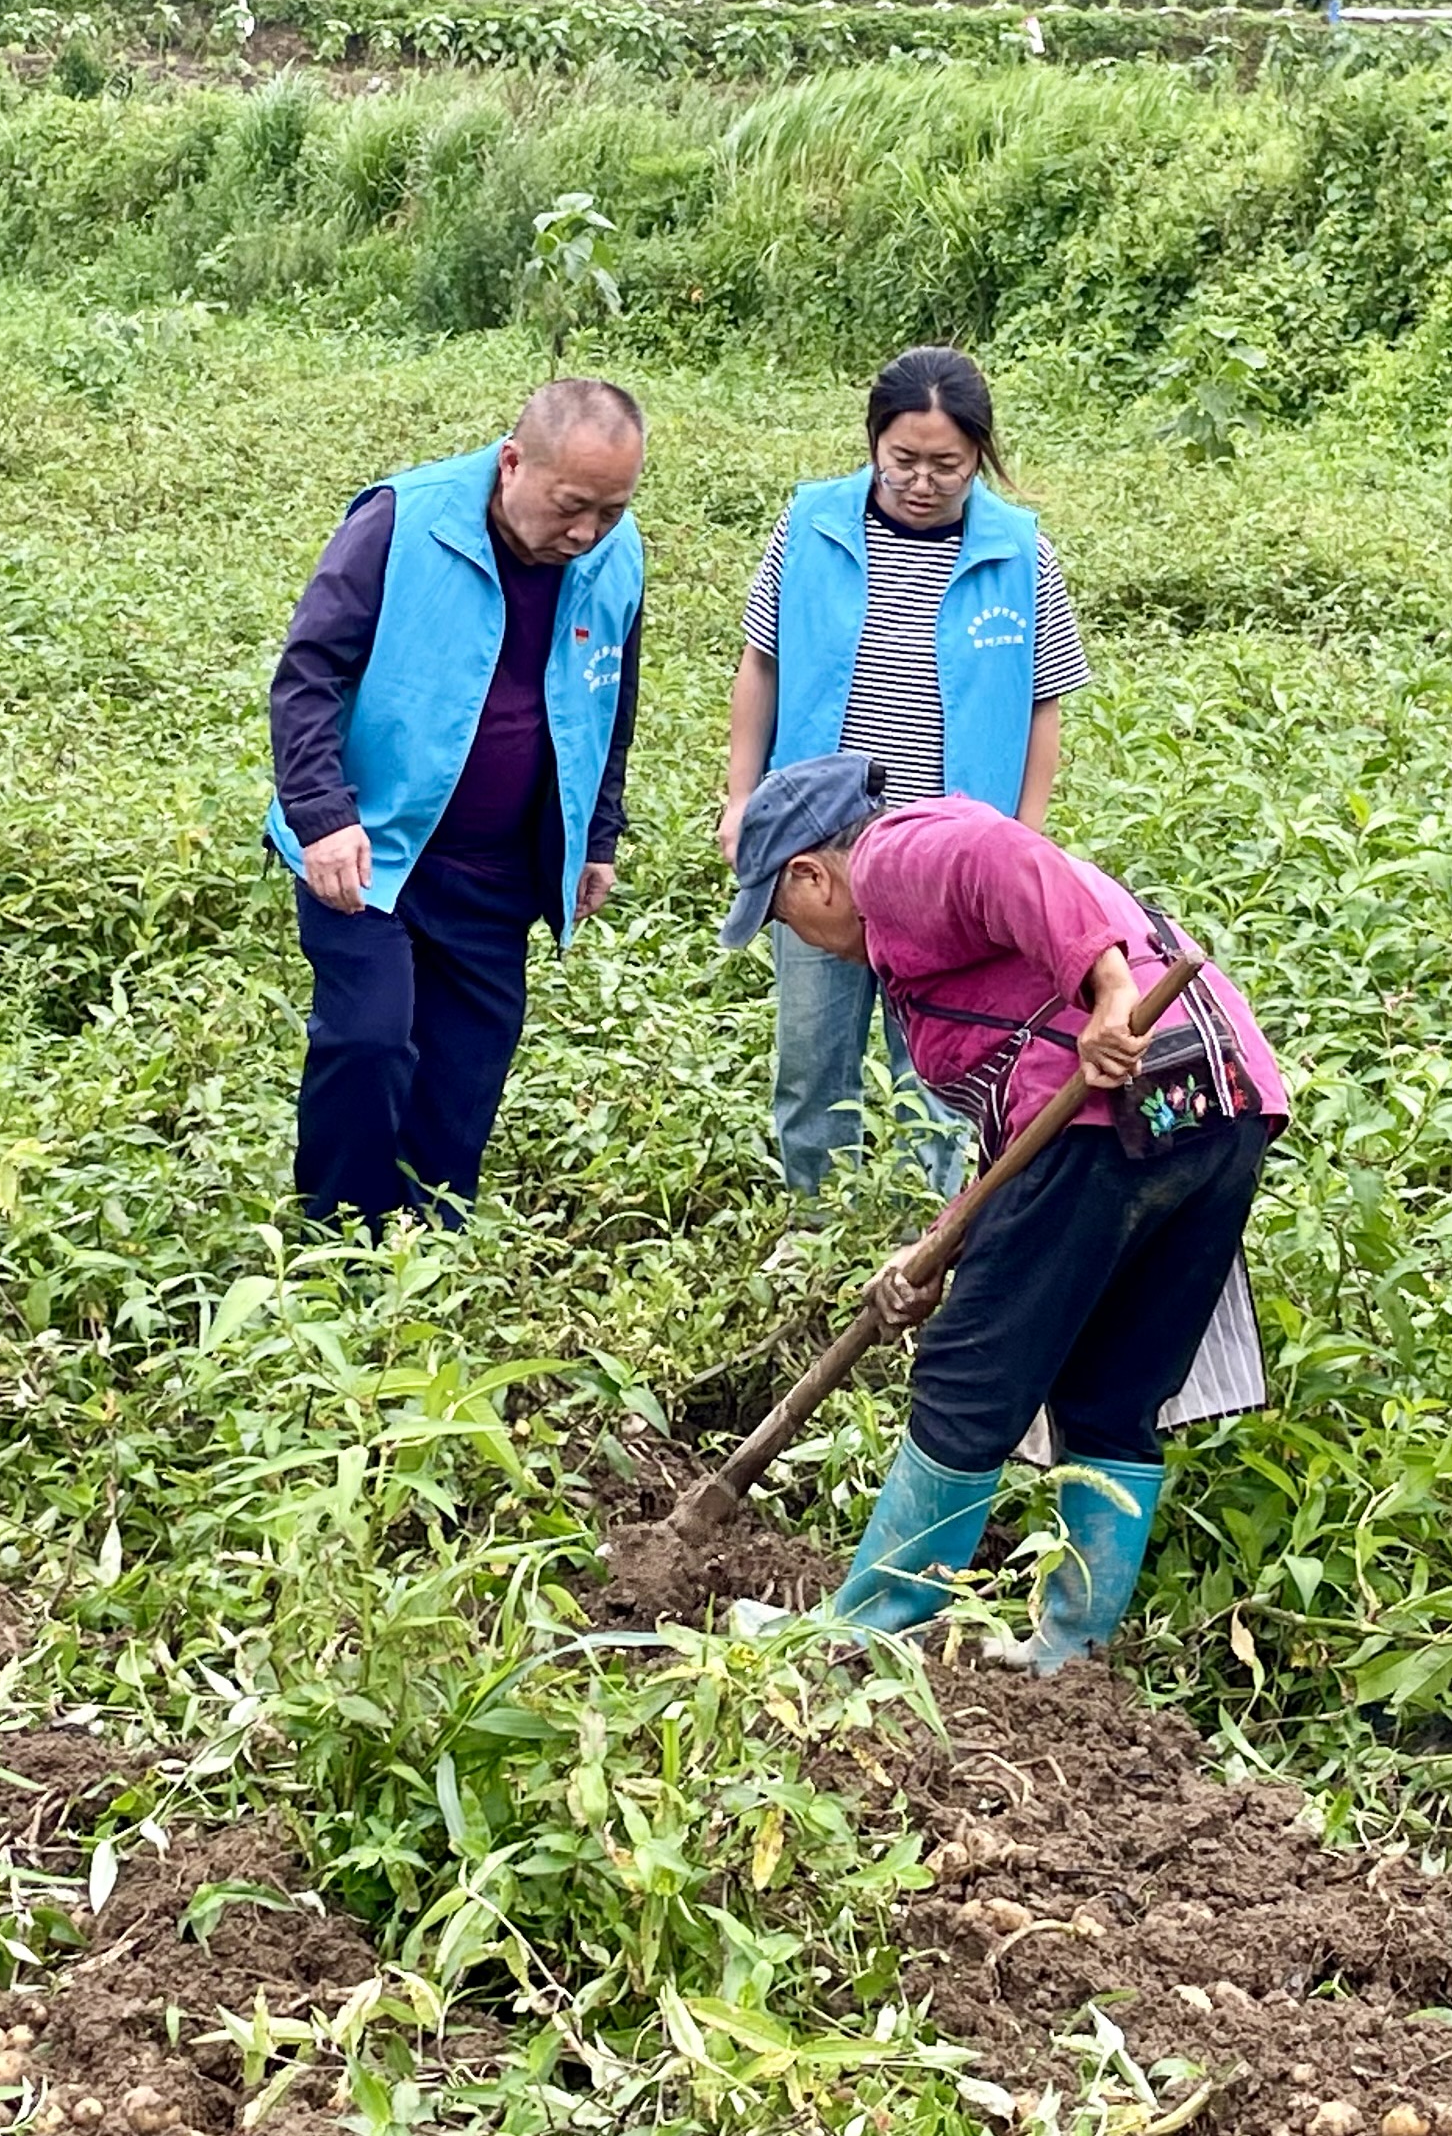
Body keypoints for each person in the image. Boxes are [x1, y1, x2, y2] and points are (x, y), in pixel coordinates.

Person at [718, 753, 1281, 1673]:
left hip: (1115, 1112)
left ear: (814, 875)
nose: (806, 941)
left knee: (968, 1372)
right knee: (1111, 1391)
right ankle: (1071, 1650)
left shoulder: (898, 856)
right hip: (1214, 1106)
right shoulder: (913, 926)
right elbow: (1017, 1119)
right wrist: (939, 1245)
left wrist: (1106, 994)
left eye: (787, 918)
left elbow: (1008, 857)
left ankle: (866, 1637)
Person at [268, 380, 648, 1228]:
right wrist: (323, 816)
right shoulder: (403, 521)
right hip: (373, 850)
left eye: (611, 511)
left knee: (465, 1068)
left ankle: (428, 1254)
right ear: (512, 463)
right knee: (366, 1040)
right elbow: (308, 674)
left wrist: (597, 835)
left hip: (501, 868)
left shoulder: (615, 560)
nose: (586, 532)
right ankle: (338, 1245)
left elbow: (610, 702)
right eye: (571, 506)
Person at [718, 347, 1091, 1195]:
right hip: (821, 844)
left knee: (946, 1059)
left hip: (948, 862)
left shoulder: (1020, 553)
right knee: (813, 1054)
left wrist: (1022, 839)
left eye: (947, 466)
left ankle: (938, 1222)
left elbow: (1043, 705)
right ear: (874, 442)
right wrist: (741, 800)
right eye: (905, 460)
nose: (923, 481)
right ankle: (813, 1217)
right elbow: (761, 665)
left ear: (981, 456)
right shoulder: (810, 525)